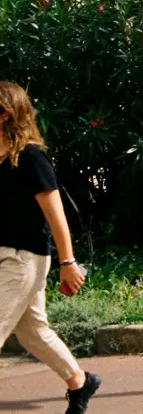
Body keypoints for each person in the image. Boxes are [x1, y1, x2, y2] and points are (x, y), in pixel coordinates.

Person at [0, 82, 101, 414]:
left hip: (22, 259)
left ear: (5, 115)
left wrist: (68, 261)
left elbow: (56, 217)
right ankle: (80, 382)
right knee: (32, 332)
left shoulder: (31, 158)